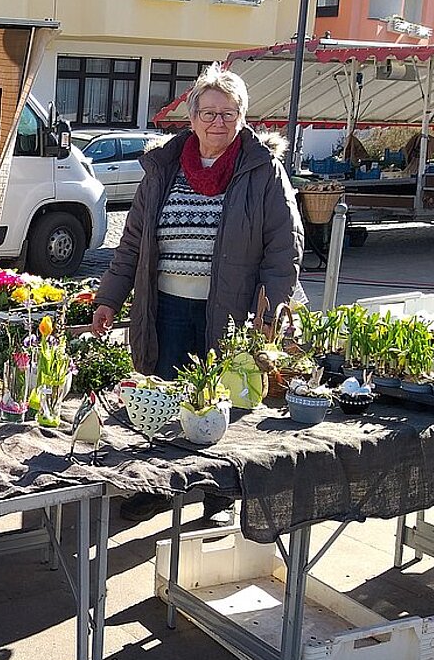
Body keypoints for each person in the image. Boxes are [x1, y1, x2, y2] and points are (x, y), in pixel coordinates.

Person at [91, 63, 304, 526]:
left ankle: (217, 492)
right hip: (165, 305)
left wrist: (273, 309)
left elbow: (283, 247)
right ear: (191, 118)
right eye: (208, 113)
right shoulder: (165, 168)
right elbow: (133, 242)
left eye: (228, 114)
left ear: (242, 118)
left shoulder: (262, 170)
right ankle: (156, 486)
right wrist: (109, 298)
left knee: (218, 402)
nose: (217, 122)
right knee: (162, 400)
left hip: (228, 309)